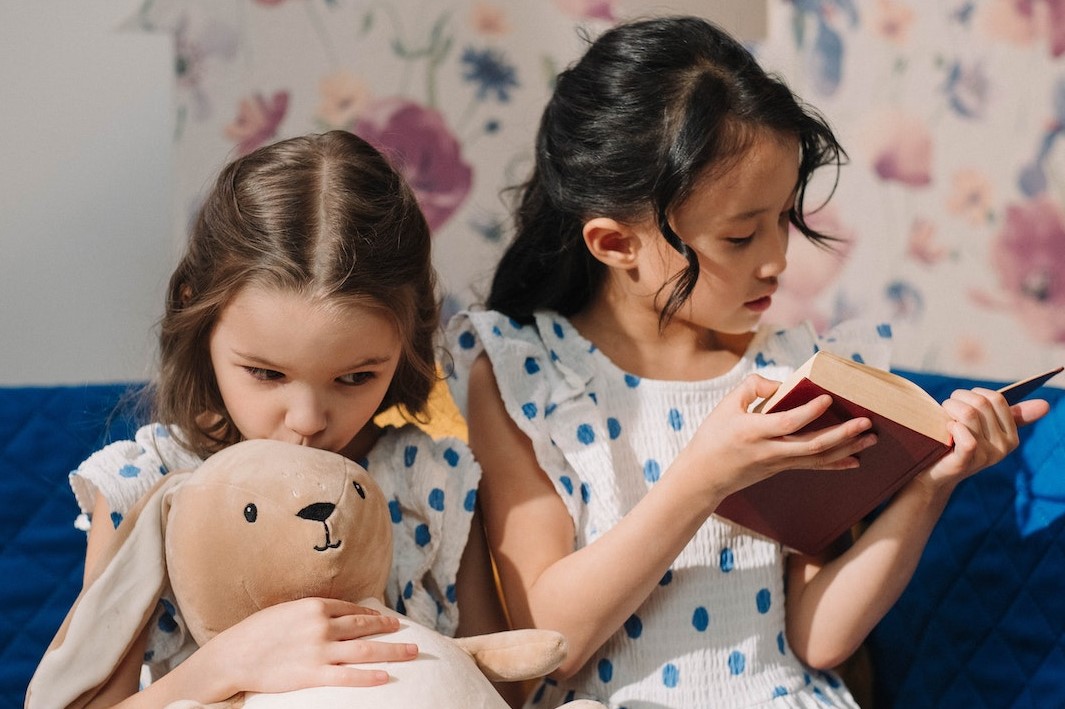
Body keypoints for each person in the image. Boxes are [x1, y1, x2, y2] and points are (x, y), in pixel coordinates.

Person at [445, 16, 1050, 708]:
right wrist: (703, 477)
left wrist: (929, 485)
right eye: (739, 235)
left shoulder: (795, 373)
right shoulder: (524, 375)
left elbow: (816, 640)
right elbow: (549, 642)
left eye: (783, 218)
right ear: (616, 244)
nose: (777, 258)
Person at [41, 130, 509, 707]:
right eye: (265, 374)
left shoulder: (431, 480)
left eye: (356, 377)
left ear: (410, 336)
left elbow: (499, 691)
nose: (309, 419)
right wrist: (225, 665)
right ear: (197, 310)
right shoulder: (143, 485)